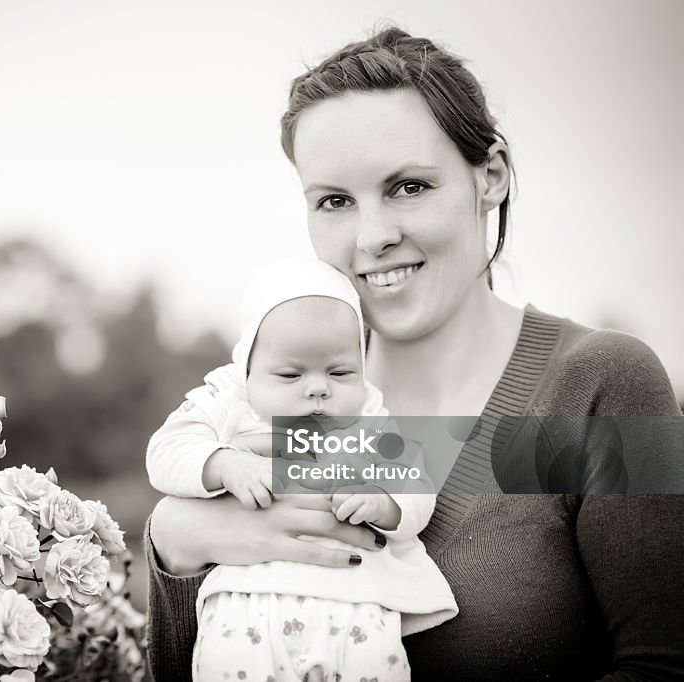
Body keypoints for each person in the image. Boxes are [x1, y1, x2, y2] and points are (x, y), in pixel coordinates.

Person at [144, 27, 684, 681]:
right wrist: (175, 546)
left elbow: (663, 668)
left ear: (490, 176)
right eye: (335, 201)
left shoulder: (599, 386)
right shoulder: (261, 408)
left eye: (408, 187)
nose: (373, 236)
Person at [146, 257, 456, 681]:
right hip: (243, 610)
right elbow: (165, 452)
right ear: (247, 370)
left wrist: (384, 502)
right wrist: (225, 463)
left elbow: (417, 481)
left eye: (341, 372)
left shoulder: (370, 420)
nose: (317, 388)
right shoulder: (226, 405)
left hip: (357, 611)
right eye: (290, 374)